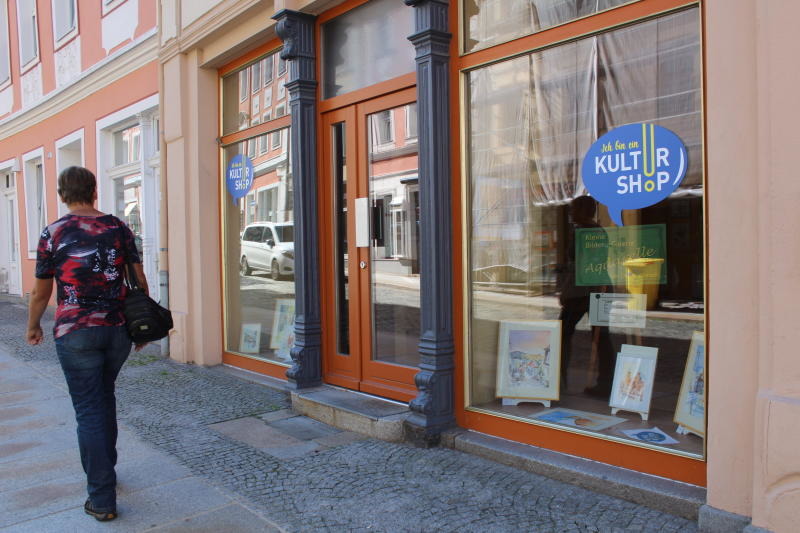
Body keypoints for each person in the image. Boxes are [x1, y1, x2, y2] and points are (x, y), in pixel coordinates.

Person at [25, 166, 148, 522]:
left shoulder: (53, 233)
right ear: (94, 191)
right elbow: (139, 279)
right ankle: (105, 473)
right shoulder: (118, 228)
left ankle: (102, 498)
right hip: (117, 330)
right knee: (103, 398)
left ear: (63, 194)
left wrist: (33, 326)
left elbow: (40, 291)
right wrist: (140, 328)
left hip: (76, 332)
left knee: (90, 409)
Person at [556, 195, 616, 397]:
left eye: (573, 209)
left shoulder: (584, 233)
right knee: (601, 337)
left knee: (563, 333)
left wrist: (565, 292)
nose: (571, 213)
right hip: (598, 287)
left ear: (582, 211)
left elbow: (579, 267)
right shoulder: (598, 231)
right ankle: (606, 383)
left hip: (584, 290)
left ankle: (558, 379)